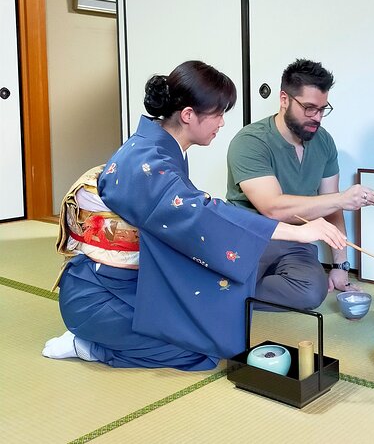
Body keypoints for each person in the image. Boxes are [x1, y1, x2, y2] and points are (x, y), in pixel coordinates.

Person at [41, 60, 346, 371]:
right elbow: (203, 216)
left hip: (137, 283)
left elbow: (194, 215)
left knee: (216, 326)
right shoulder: (146, 161)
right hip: (102, 295)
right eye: (218, 114)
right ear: (188, 115)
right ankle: (88, 345)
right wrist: (297, 231)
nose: (223, 123)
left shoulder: (160, 149)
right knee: (202, 352)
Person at [226, 58, 374, 311]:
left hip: (297, 241)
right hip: (251, 238)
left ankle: (234, 292)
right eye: (309, 108)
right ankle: (229, 289)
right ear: (284, 99)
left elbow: (332, 207)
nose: (317, 117)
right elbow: (272, 208)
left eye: (322, 109)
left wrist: (341, 267)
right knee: (221, 284)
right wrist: (341, 198)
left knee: (312, 292)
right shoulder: (250, 141)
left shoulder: (323, 142)